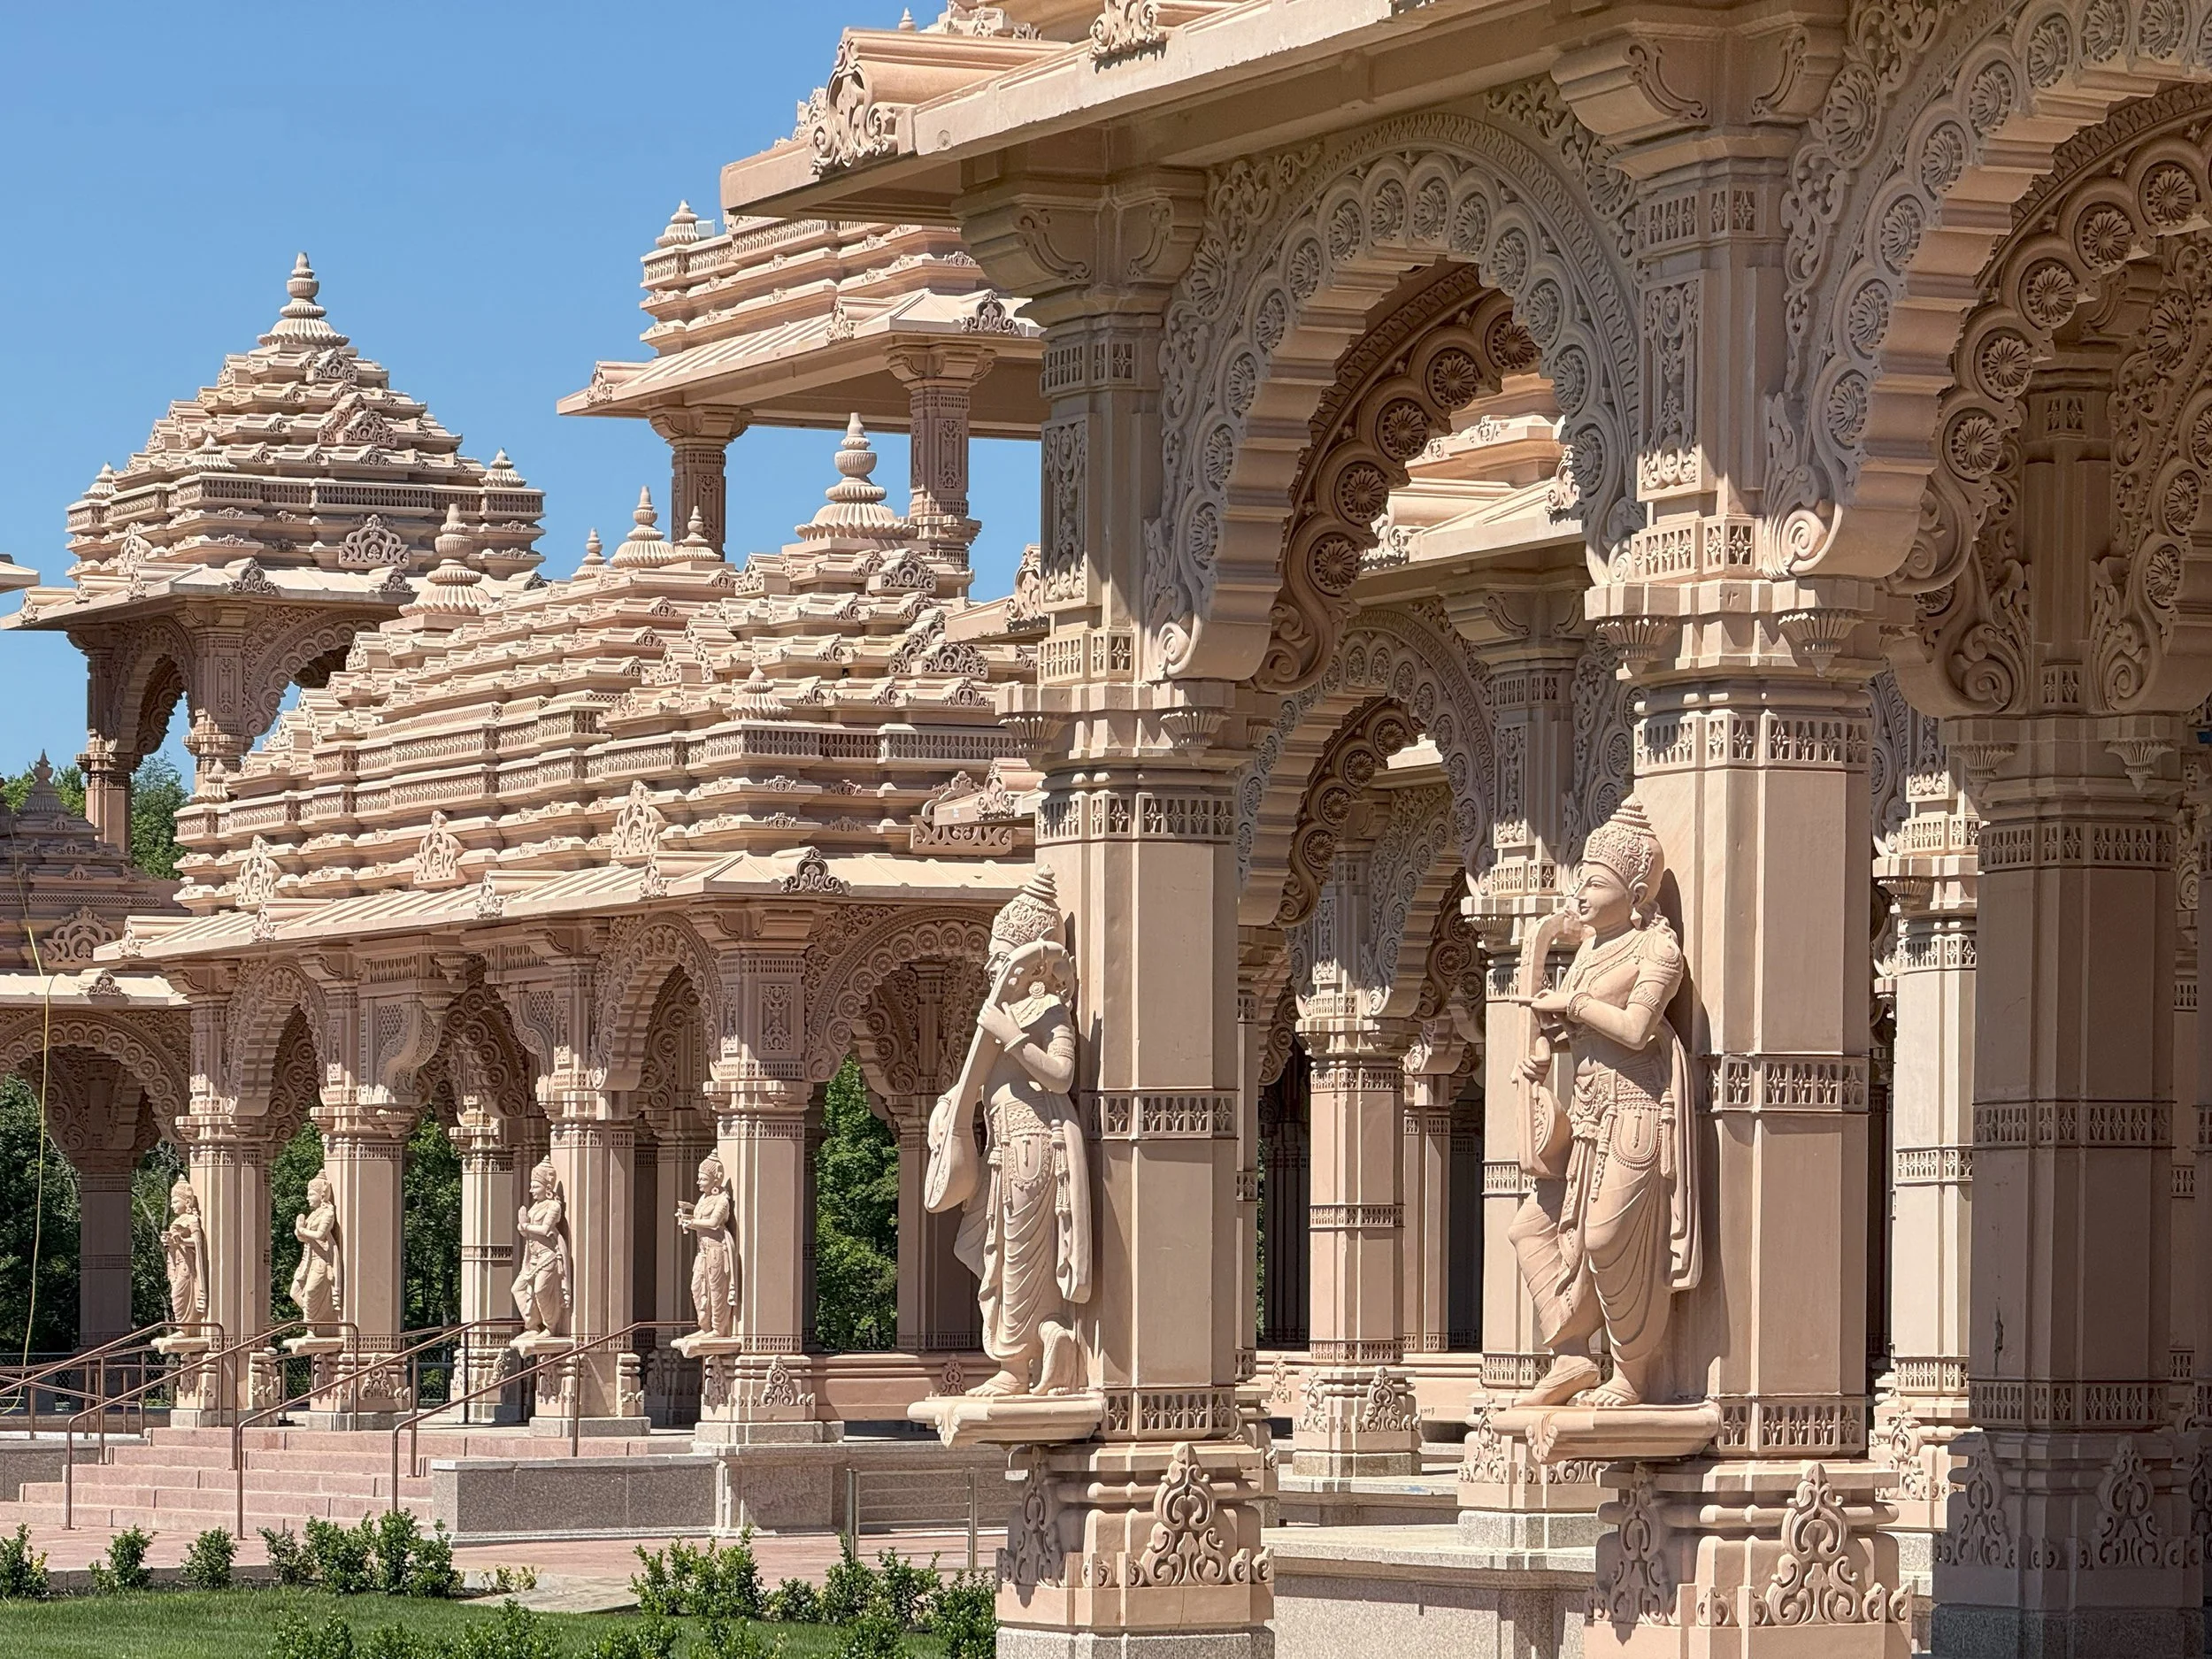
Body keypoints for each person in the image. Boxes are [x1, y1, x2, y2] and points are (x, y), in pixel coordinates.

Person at [1509, 795, 1701, 1408]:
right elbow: (1585, 1031)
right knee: (1530, 1229)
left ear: (1637, 890)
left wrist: (1574, 1007)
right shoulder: (1591, 950)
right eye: (1580, 880)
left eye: (1595, 881)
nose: (1581, 894)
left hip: (1639, 1113)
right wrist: (1544, 1049)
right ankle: (1570, 1355)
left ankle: (1633, 1372)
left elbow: (1640, 1028)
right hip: (1590, 1113)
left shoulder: (1656, 951)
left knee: (1604, 1238)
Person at [679, 1153, 738, 1339]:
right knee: (697, 1288)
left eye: (703, 1178)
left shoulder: (722, 1200)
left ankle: (718, 1329)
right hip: (702, 1250)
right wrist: (687, 1220)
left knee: (716, 1289)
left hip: (717, 1250)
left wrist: (693, 1222)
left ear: (715, 1179)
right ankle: (705, 1326)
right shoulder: (703, 1200)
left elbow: (714, 1223)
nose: (698, 1182)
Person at [511, 1157, 571, 1338]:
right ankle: (532, 1326)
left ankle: (551, 1327)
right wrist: (522, 1227)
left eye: (535, 1186)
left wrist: (525, 1226)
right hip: (532, 1258)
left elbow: (546, 1229)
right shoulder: (535, 1207)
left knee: (540, 1291)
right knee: (518, 1289)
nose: (531, 1190)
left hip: (548, 1256)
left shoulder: (553, 1206)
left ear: (547, 1188)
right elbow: (527, 1233)